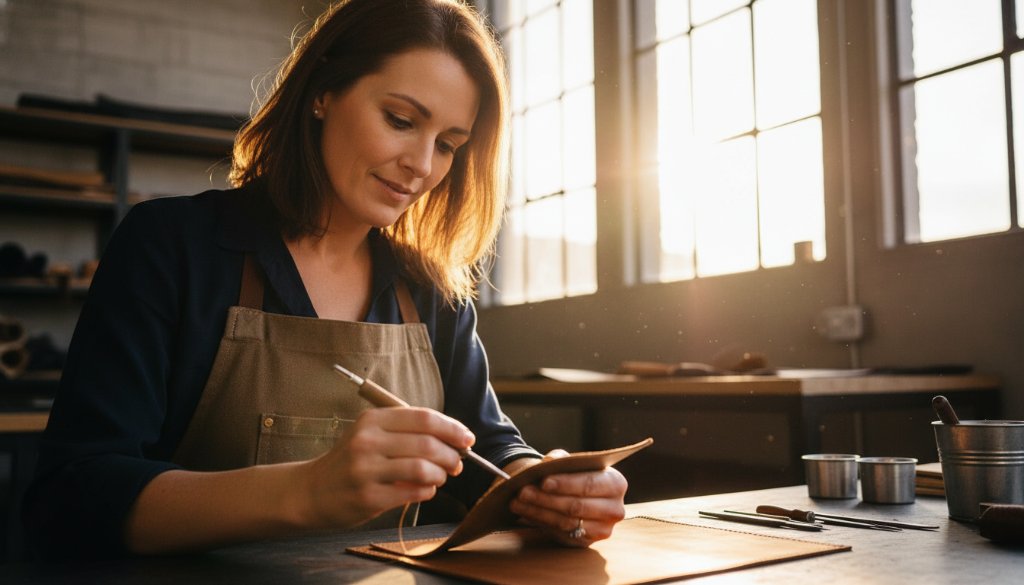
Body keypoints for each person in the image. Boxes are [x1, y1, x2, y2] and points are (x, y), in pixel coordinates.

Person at [23, 0, 627, 558]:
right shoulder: (170, 246)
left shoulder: (431, 289)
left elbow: (487, 450)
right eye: (399, 119)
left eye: (448, 144)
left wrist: (543, 485)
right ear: (323, 92)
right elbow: (74, 494)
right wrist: (307, 492)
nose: (421, 165)